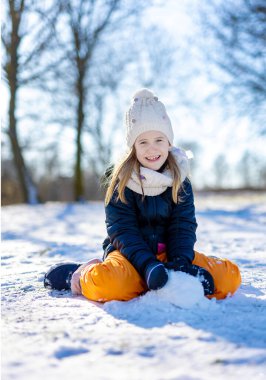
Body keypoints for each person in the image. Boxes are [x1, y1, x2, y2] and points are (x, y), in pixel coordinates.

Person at [44, 88, 241, 302]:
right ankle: (82, 275)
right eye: (143, 142)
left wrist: (181, 263)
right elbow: (122, 230)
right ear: (133, 147)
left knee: (229, 279)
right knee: (108, 286)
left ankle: (171, 276)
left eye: (158, 139)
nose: (152, 149)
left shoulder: (180, 179)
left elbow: (183, 225)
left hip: (172, 257)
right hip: (131, 256)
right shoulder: (121, 181)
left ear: (169, 142)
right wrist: (148, 265)